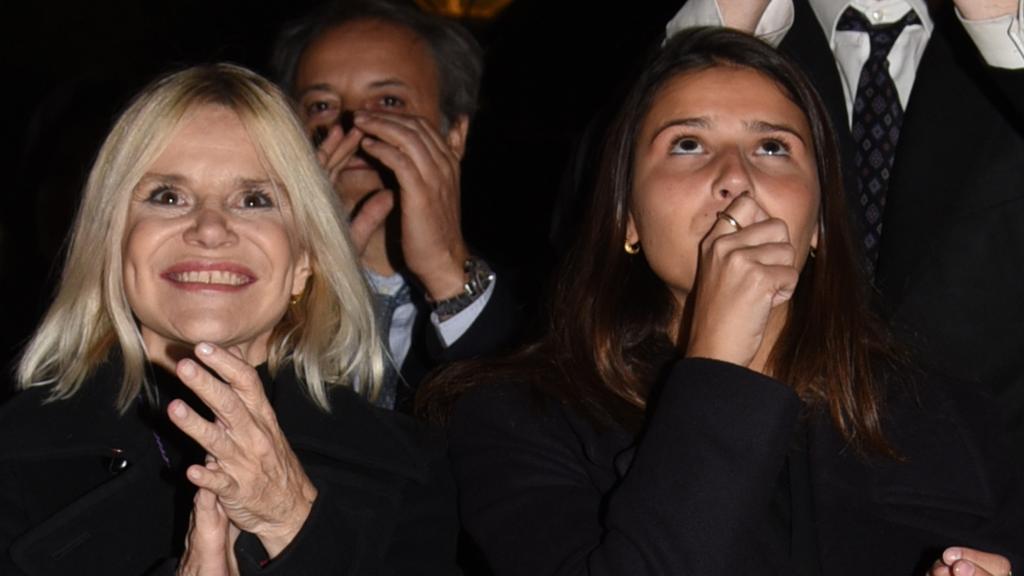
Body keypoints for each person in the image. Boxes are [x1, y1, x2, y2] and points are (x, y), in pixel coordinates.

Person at [424, 28, 1023, 575]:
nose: (736, 177)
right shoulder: (515, 419)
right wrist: (717, 367)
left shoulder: (950, 415)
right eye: (687, 144)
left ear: (818, 221)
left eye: (773, 148)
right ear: (627, 218)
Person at [0, 63, 458, 575]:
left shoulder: (409, 466)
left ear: (304, 261)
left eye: (254, 200)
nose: (211, 228)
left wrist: (295, 526)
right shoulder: (14, 454)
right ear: (111, 246)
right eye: (168, 197)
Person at [666, 0, 1024, 452]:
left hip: (1001, 484)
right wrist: (731, 19)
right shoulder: (716, 27)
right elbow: (595, 218)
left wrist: (1002, 17)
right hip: (750, 471)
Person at [271, 0, 520, 412]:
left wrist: (447, 274)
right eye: (321, 106)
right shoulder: (254, 293)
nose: (352, 125)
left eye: (388, 102)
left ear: (454, 134)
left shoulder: (537, 311)